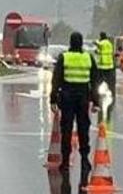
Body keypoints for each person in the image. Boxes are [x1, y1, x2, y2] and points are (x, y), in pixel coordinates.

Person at [50, 30, 97, 170]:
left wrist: (53, 99)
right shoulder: (88, 58)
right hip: (83, 97)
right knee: (83, 129)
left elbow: (56, 79)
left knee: (66, 129)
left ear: (70, 43)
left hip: (67, 97)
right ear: (81, 43)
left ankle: (65, 161)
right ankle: (85, 159)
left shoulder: (64, 57)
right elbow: (95, 81)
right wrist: (96, 101)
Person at [95, 31, 116, 100]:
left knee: (99, 81)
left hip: (103, 65)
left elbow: (98, 44)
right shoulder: (109, 43)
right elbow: (103, 51)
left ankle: (98, 94)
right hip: (109, 65)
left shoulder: (102, 43)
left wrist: (96, 42)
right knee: (109, 81)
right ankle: (111, 93)